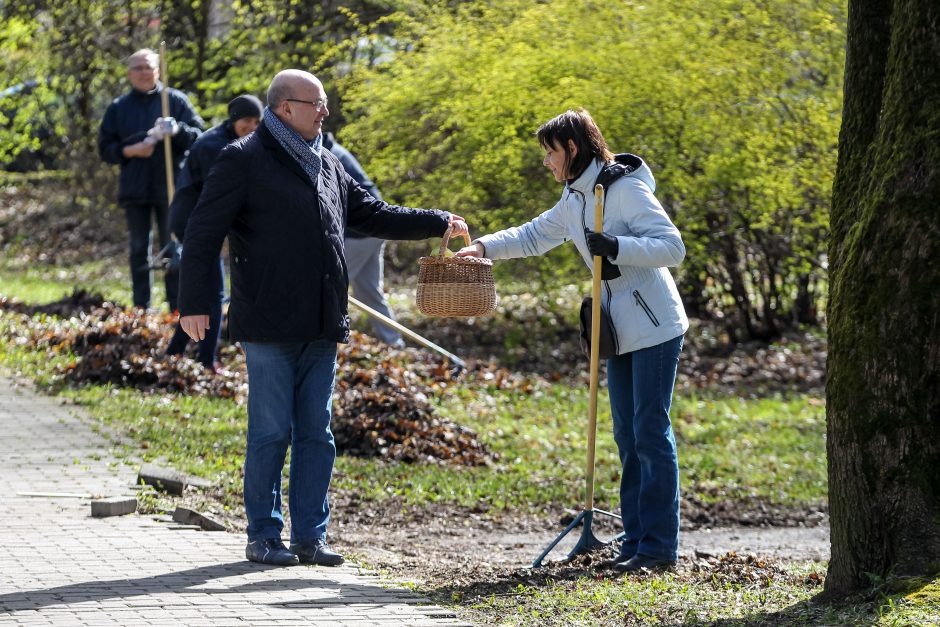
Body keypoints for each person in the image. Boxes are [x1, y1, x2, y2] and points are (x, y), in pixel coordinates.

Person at [177, 69, 468, 567]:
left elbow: (373, 213)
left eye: (325, 102)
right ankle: (264, 535)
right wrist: (195, 305)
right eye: (316, 103)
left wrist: (436, 220)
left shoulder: (328, 164)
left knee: (317, 432)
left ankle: (311, 536)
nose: (325, 111)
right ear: (285, 108)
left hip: (322, 321)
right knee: (270, 432)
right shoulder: (241, 160)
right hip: (267, 321)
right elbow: (201, 236)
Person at [456, 109, 688, 574]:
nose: (546, 161)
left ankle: (659, 548)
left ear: (573, 149)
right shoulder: (577, 196)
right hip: (617, 328)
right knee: (627, 433)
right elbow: (535, 234)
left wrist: (618, 247)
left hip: (656, 324)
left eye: (549, 152)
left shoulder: (625, 189)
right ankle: (636, 539)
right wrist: (482, 248)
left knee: (648, 430)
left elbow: (672, 246)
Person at [98, 48, 204, 312]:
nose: (144, 73)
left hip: (171, 188)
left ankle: (176, 306)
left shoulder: (175, 101)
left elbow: (200, 138)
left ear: (157, 71)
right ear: (130, 73)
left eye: (149, 67)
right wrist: (131, 150)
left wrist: (178, 130)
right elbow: (105, 148)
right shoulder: (118, 108)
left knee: (173, 247)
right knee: (138, 249)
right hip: (135, 189)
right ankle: (141, 307)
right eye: (138, 68)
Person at [165, 95, 264, 370]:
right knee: (214, 292)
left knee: (207, 290)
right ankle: (206, 360)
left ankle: (175, 351)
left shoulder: (237, 142)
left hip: (206, 221)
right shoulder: (213, 145)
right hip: (191, 222)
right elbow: (223, 194)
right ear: (234, 119)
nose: (252, 127)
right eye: (247, 121)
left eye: (257, 122)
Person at [322, 132, 404, 348]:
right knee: (368, 292)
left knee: (326, 284)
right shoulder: (332, 150)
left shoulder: (327, 155)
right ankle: (394, 342)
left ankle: (320, 342)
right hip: (375, 230)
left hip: (362, 231)